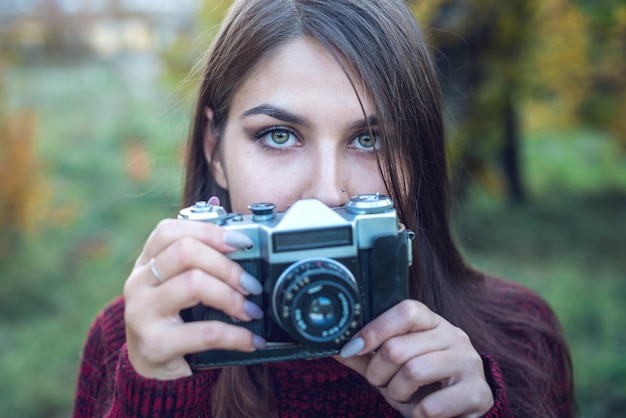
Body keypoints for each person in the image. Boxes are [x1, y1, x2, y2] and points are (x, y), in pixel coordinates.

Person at [72, 0, 574, 417]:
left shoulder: (520, 337)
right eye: (279, 135)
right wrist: (156, 391)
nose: (327, 191)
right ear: (213, 150)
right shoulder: (131, 343)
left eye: (370, 139)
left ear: (416, 157)